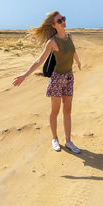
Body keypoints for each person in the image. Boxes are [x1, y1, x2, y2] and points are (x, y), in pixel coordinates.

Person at [12, 11, 82, 153]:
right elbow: (39, 60)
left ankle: (68, 141)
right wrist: (25, 75)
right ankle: (54, 139)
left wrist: (78, 61)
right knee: (55, 111)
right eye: (59, 20)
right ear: (54, 25)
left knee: (67, 111)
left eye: (63, 19)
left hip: (69, 78)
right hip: (57, 79)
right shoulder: (52, 42)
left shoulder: (69, 37)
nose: (63, 21)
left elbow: (73, 51)